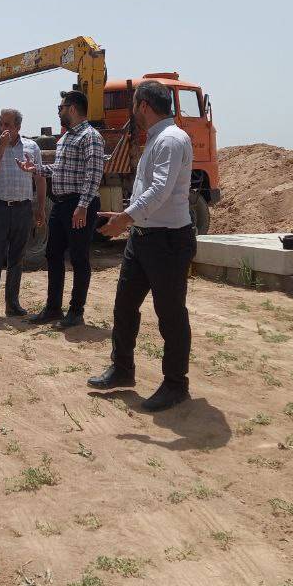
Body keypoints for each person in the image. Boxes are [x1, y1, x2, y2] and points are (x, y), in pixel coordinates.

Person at [90, 80, 196, 412]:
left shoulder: (170, 139)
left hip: (168, 241)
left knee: (170, 314)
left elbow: (160, 190)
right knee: (124, 306)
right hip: (143, 238)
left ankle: (176, 384)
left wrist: (124, 218)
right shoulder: (156, 139)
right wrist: (126, 217)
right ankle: (122, 369)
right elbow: (148, 190)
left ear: (145, 106)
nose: (133, 110)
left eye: (134, 104)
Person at [19, 90, 105, 329]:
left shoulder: (91, 136)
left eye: (61, 108)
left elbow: (94, 174)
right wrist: (34, 169)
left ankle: (76, 312)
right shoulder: (66, 137)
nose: (59, 112)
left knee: (78, 257)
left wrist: (83, 206)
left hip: (80, 204)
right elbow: (59, 170)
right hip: (62, 204)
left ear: (73, 108)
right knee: (53, 254)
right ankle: (53, 308)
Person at [0, 108, 45, 319]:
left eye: (7, 124)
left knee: (17, 258)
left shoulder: (31, 147)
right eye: (0, 123)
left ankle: (12, 304)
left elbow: (39, 178)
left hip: (23, 208)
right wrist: (1, 147)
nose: (2, 128)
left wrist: (40, 207)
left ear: (18, 127)